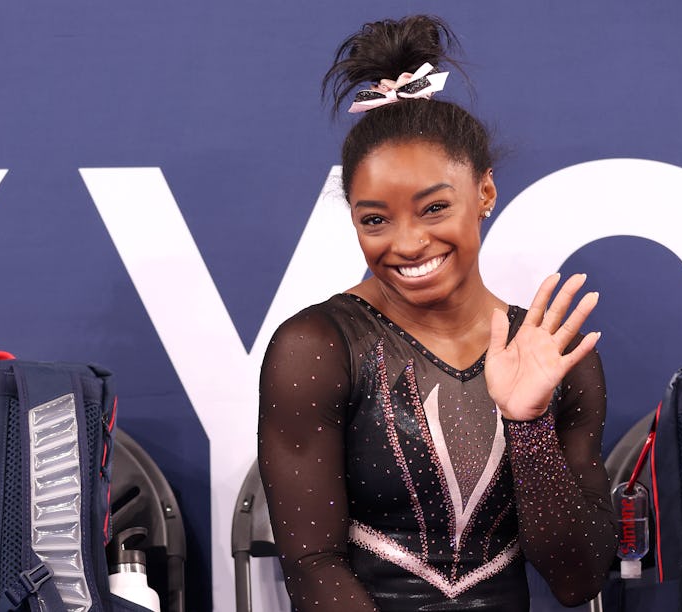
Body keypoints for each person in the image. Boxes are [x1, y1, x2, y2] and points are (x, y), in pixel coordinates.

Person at [258, 15, 617, 611]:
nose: (406, 243)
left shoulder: (550, 353)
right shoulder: (316, 345)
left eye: (433, 208)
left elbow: (578, 580)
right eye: (375, 219)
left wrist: (527, 427)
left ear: (484, 193)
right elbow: (311, 564)